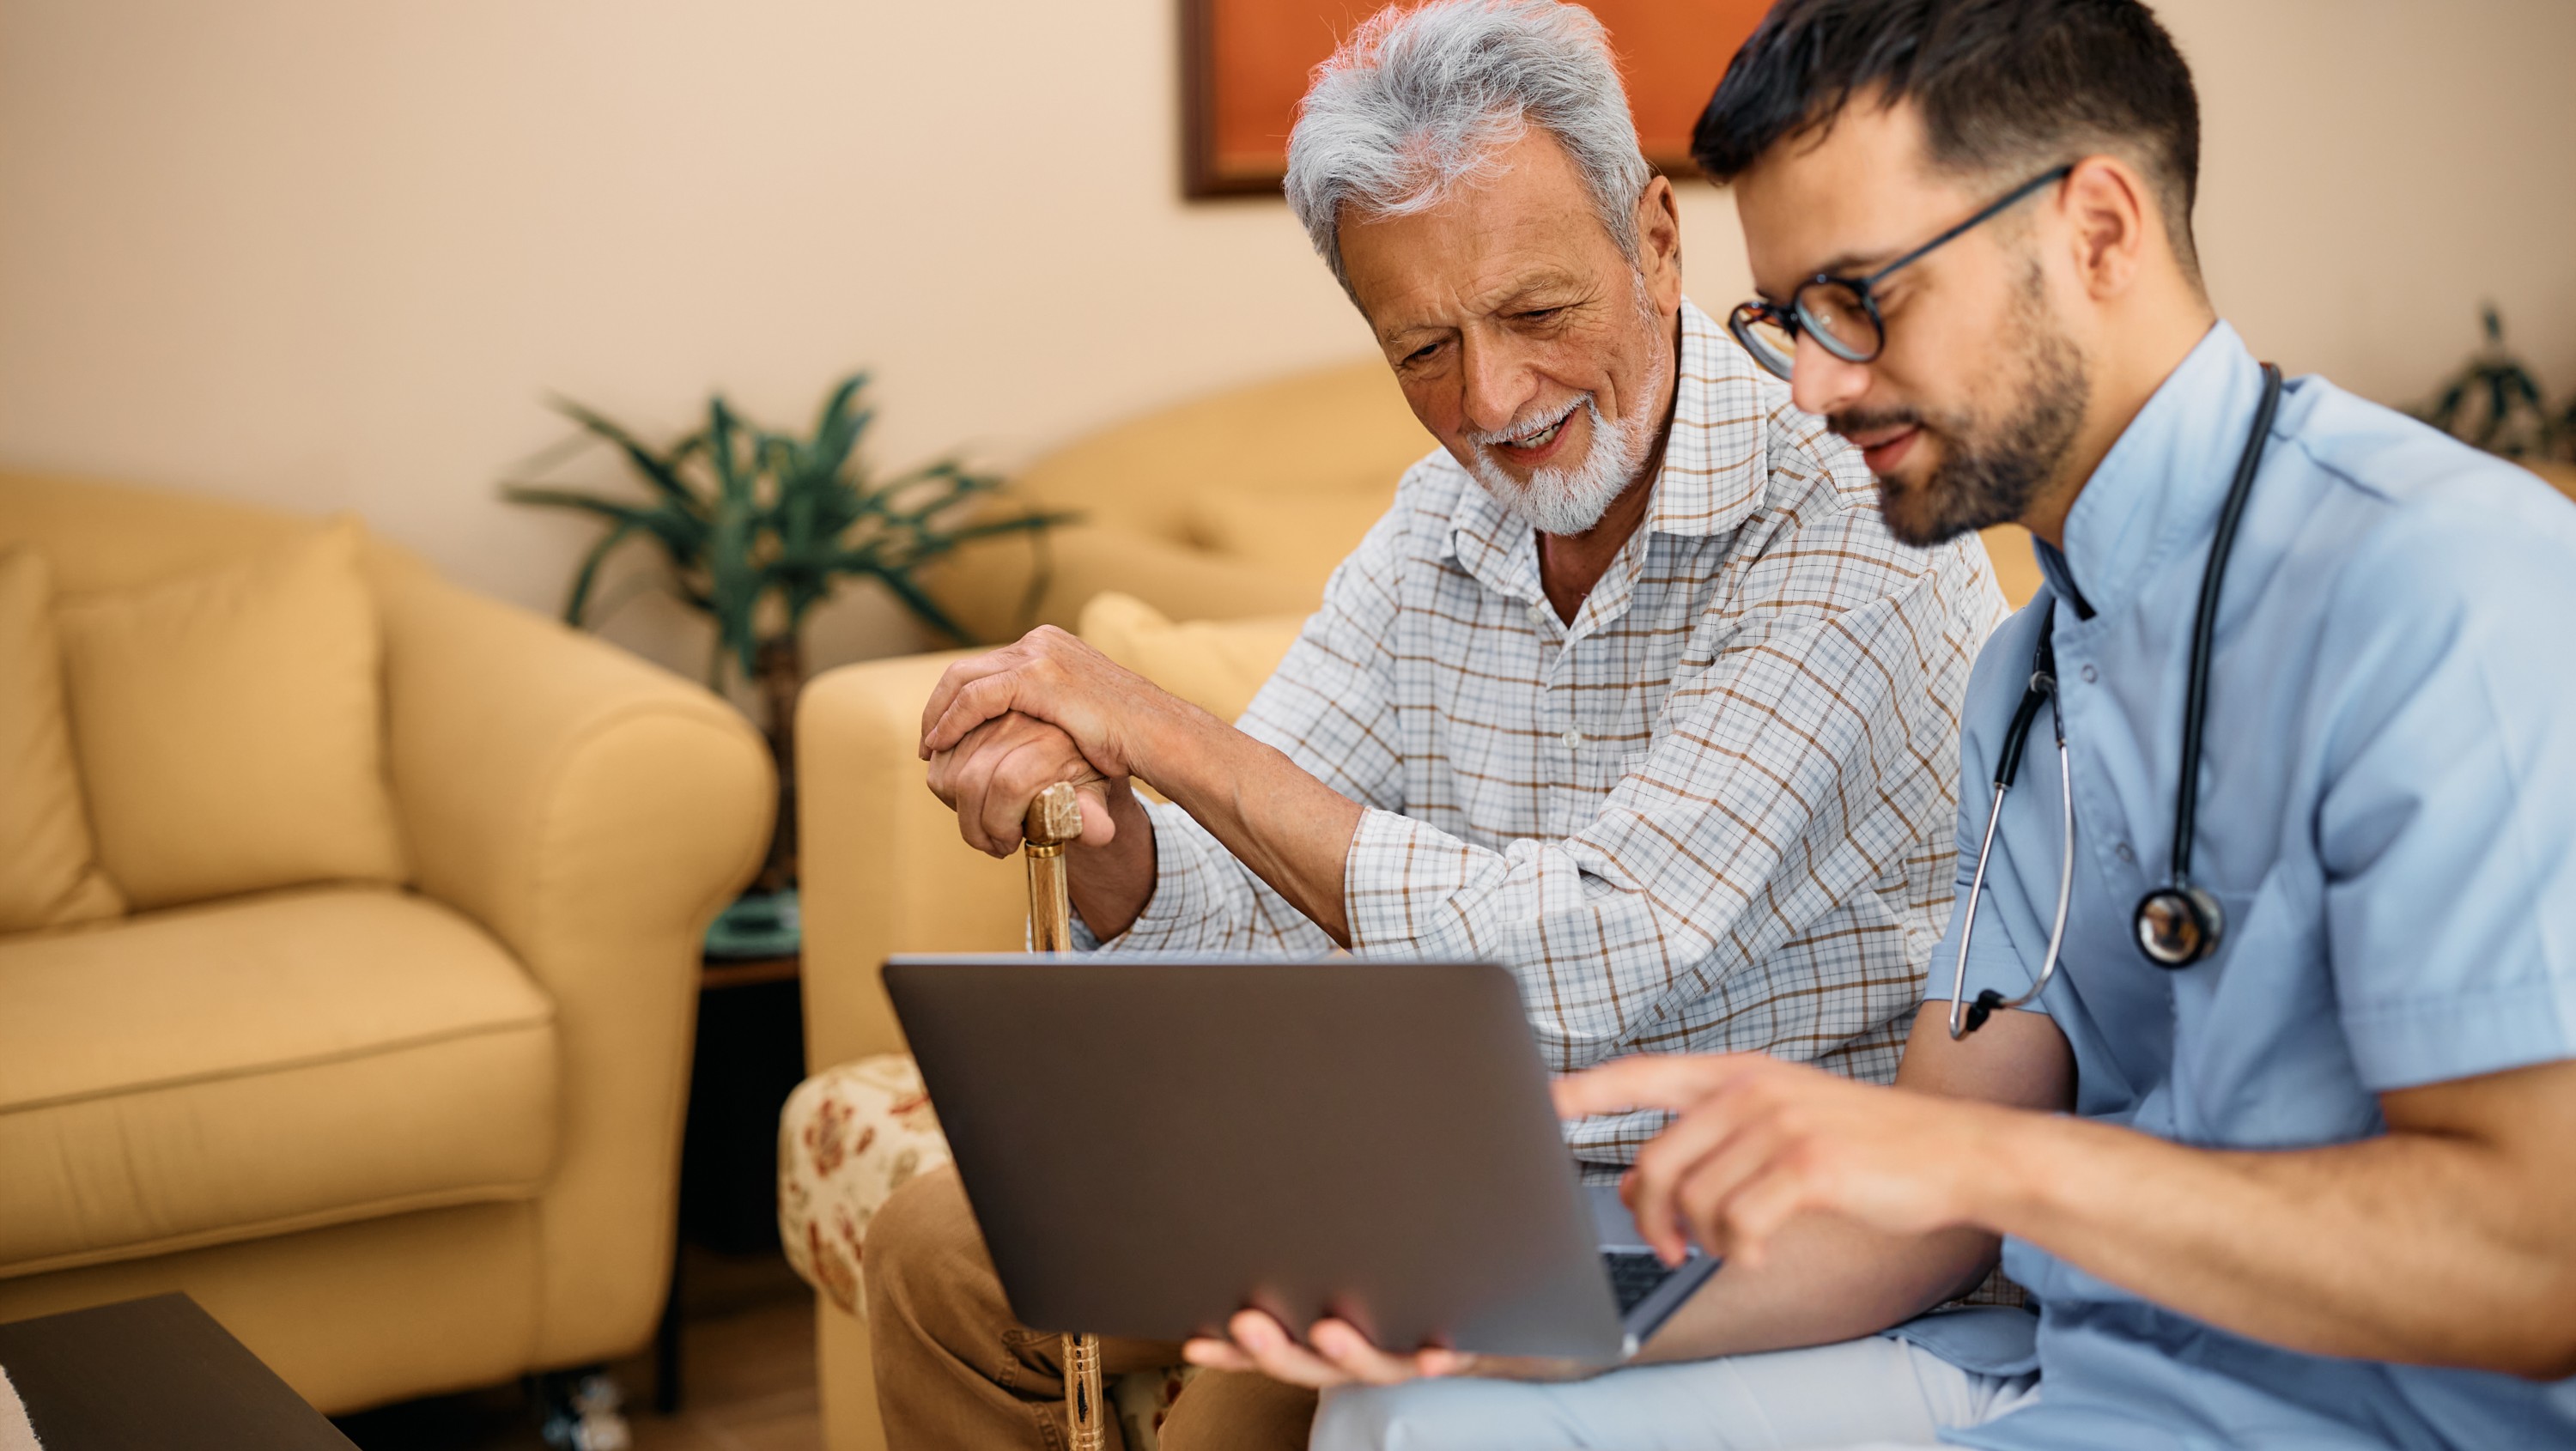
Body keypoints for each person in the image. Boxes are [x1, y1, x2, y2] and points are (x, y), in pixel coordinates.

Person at [1193, 1, 2576, 1448]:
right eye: (1791, 317)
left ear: (2097, 231)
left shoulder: (2445, 584)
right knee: (1413, 1417)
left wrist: (1980, 1163)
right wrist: (1512, 1333)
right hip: (2097, 1389)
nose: (1814, 385)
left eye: (1864, 298)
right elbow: (1909, 1221)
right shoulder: (2034, 674)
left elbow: (2538, 1260)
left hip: (2378, 1419)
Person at [862, 3, 2004, 1447]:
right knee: (945, 1255)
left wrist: (1169, 734)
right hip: (1447, 1181)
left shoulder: (1846, 514)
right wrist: (1114, 839)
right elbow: (1256, 920)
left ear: (1656, 239)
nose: (1493, 401)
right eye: (1422, 349)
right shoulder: (1435, 532)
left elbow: (1599, 952)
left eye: (1536, 314)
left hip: (1740, 1239)